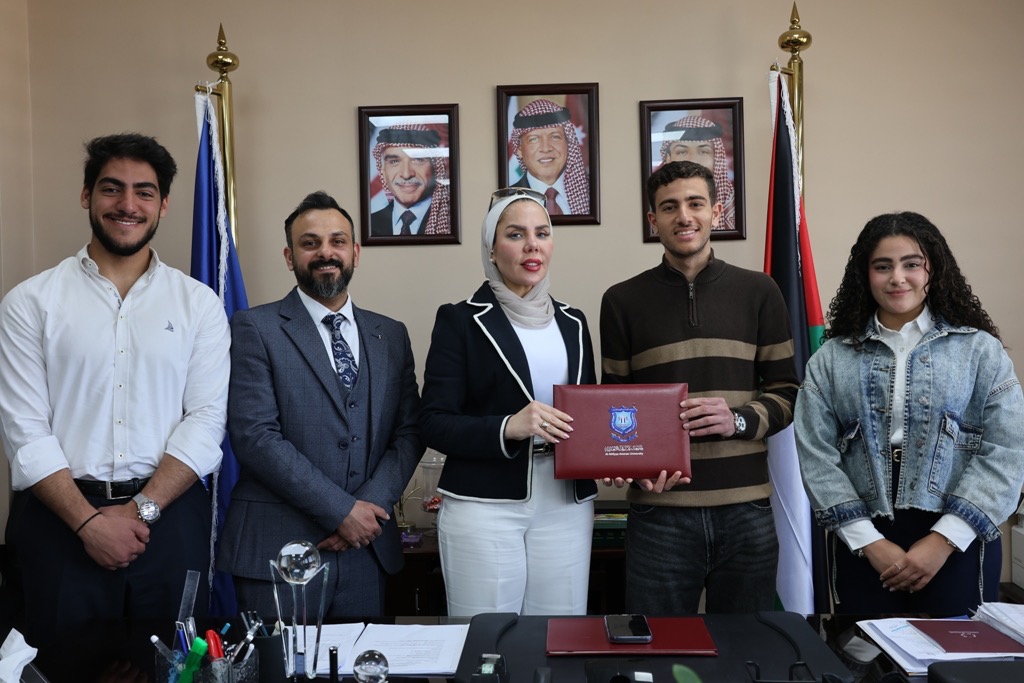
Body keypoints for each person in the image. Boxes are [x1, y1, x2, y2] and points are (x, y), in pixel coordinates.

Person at [0, 133, 230, 644]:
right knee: (58, 665)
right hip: (58, 522)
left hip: (169, 521)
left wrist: (139, 509)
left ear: (164, 204)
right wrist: (88, 524)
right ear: (87, 195)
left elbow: (206, 421)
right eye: (111, 188)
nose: (128, 204)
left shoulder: (199, 305)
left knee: (173, 669)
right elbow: (25, 431)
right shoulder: (29, 303)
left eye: (144, 192)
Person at [794, 212, 1024, 615]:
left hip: (959, 534)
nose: (897, 278)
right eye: (883, 266)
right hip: (862, 535)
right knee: (863, 649)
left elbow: (1007, 450)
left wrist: (943, 541)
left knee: (955, 650)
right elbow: (816, 453)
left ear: (934, 269)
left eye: (911, 264)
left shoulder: (980, 350)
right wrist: (869, 541)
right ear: (865, 275)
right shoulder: (831, 357)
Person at [600, 160, 798, 614]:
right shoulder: (621, 301)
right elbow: (615, 407)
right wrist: (630, 464)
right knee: (659, 647)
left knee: (746, 645)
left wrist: (738, 420)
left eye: (695, 204)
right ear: (653, 220)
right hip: (659, 514)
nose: (683, 216)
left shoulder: (760, 291)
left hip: (747, 512)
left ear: (716, 212)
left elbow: (788, 392)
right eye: (669, 207)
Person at [218, 190, 422, 617]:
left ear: (355, 253)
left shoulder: (391, 335)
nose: (325, 253)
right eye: (310, 243)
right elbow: (255, 436)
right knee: (282, 659)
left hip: (368, 551)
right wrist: (341, 511)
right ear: (289, 256)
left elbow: (409, 432)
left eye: (337, 241)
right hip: (279, 552)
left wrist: (365, 514)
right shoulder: (254, 327)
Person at [419, 187, 598, 616]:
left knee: (559, 636)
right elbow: (433, 421)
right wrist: (508, 426)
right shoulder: (460, 319)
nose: (532, 245)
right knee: (487, 639)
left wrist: (610, 454)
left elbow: (589, 412)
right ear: (491, 249)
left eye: (542, 233)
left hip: (566, 502)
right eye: (516, 234)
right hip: (484, 504)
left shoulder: (574, 322)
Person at [510, 99, 590, 216]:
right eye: (534, 139)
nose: (546, 148)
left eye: (555, 137)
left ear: (568, 143)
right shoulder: (507, 202)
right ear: (519, 150)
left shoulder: (591, 193)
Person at [369, 125, 451, 236]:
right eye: (394, 161)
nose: (406, 174)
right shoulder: (370, 225)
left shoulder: (450, 224)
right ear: (382, 170)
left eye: (418, 160)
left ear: (435, 167)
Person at [658, 115, 736, 232]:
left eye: (703, 151)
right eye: (682, 152)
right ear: (668, 158)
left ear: (716, 158)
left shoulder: (733, 203)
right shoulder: (655, 200)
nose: (693, 160)